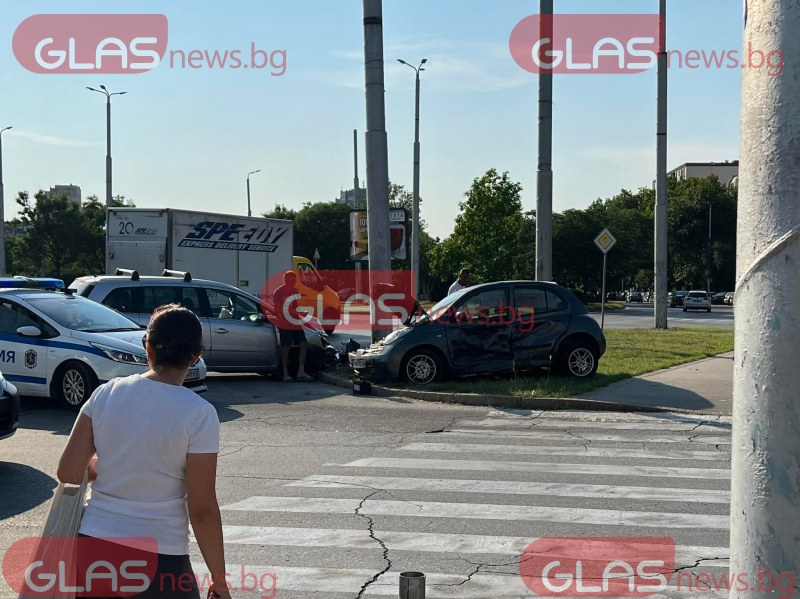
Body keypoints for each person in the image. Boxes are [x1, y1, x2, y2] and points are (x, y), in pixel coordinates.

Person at [58, 304, 231, 599]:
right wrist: (219, 578)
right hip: (161, 557)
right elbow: (202, 508)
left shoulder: (106, 393)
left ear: (147, 347)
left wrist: (109, 465)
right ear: (196, 355)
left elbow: (68, 472)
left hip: (94, 547)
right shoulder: (199, 413)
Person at [272, 270, 313, 382]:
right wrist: (293, 312)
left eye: (294, 281)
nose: (292, 284)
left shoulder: (295, 291)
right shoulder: (278, 292)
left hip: (295, 322)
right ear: (285, 280)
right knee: (286, 348)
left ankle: (301, 371)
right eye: (290, 281)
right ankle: (285, 373)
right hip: (284, 323)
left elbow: (295, 307)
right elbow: (277, 309)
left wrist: (301, 312)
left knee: (304, 344)